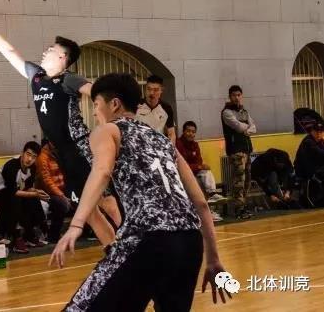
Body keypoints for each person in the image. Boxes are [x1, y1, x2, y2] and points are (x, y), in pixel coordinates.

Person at [51, 73, 231, 311]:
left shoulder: (109, 131)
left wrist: (76, 225)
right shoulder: (162, 140)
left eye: (96, 105)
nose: (94, 113)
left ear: (114, 104)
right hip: (189, 243)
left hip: (147, 239)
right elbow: (201, 203)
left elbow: (102, 171)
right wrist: (213, 259)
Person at [0, 9, 114, 246]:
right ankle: (114, 249)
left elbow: (97, 93)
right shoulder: (37, 77)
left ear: (62, 57)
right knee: (87, 209)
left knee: (104, 201)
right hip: (61, 153)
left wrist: (104, 121)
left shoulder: (68, 79)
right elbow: (10, 52)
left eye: (51, 49)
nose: (45, 51)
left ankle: (134, 241)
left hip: (78, 148)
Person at [0, 142, 48, 253]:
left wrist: (37, 191)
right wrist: (34, 194)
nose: (30, 159)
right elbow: (13, 192)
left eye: (34, 157)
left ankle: (29, 235)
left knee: (32, 198)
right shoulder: (11, 165)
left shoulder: (32, 168)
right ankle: (16, 238)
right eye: (28, 154)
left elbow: (27, 189)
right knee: (16, 199)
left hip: (9, 194)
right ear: (22, 153)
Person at [176, 121, 225, 222]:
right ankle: (204, 213)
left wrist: (199, 167)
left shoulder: (195, 145)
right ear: (183, 132)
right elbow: (183, 165)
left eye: (193, 132)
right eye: (188, 131)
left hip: (193, 173)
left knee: (206, 173)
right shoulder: (178, 144)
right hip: (181, 174)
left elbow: (199, 162)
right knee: (198, 181)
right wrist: (198, 166)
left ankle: (212, 195)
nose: (191, 134)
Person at [222, 85, 256, 219]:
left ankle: (243, 206)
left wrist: (247, 129)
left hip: (247, 149)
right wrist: (247, 128)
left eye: (239, 95)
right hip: (236, 150)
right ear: (230, 96)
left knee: (247, 179)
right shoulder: (227, 112)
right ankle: (238, 209)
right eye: (234, 95)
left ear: (242, 96)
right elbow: (238, 126)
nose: (237, 98)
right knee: (239, 181)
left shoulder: (244, 111)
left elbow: (254, 127)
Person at [135, 75, 176, 142]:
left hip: (158, 144)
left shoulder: (167, 108)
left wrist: (171, 146)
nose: (151, 93)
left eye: (155, 90)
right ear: (145, 89)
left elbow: (171, 133)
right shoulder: (136, 105)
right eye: (149, 89)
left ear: (161, 90)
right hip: (140, 144)